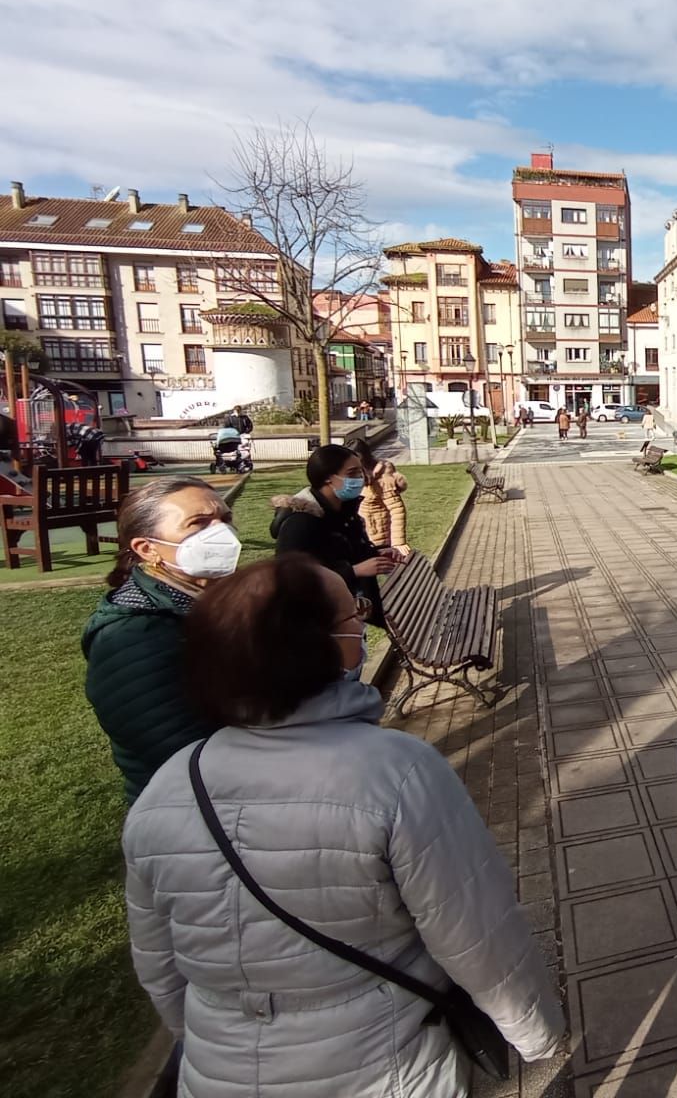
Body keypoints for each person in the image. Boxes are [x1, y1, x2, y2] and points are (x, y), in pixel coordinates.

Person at [122, 555, 565, 1096]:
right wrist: (535, 1033)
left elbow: (159, 962)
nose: (361, 621)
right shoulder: (396, 771)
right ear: (318, 643)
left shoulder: (170, 786)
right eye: (352, 612)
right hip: (385, 1067)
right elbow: (473, 930)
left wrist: (212, 1039)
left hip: (218, 1072)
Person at [83, 477, 240, 804]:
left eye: (224, 520)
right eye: (198, 524)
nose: (221, 533)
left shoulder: (210, 601)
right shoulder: (131, 638)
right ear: (147, 548)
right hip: (196, 816)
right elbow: (184, 756)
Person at [269, 445, 399, 625]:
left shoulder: (345, 511)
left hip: (348, 613)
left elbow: (346, 552)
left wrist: (378, 554)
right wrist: (354, 571)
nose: (360, 479)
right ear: (328, 478)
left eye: (361, 471)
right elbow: (290, 579)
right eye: (352, 473)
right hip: (317, 624)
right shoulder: (299, 523)